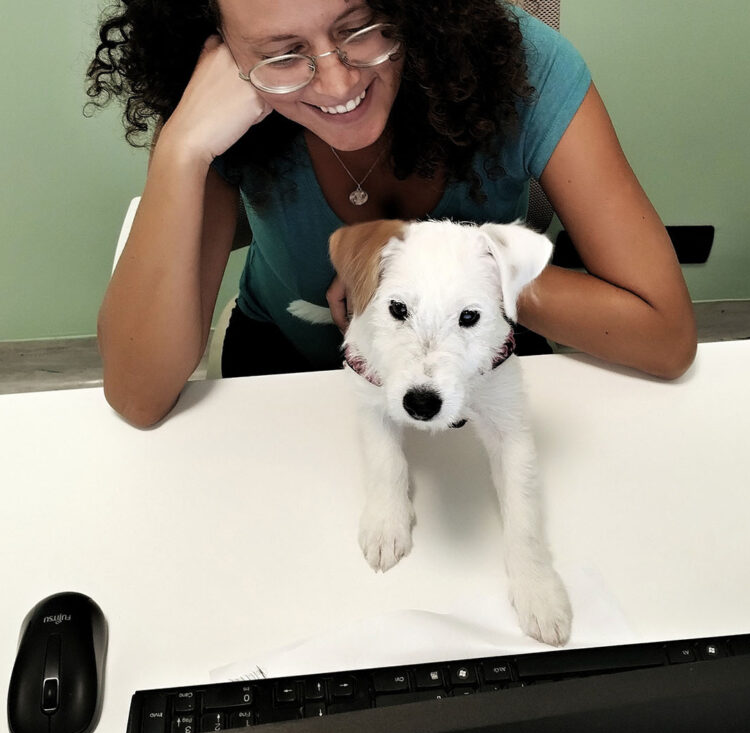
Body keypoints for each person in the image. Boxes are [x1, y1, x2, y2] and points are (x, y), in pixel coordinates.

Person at [87, 0, 697, 428]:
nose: (333, 81)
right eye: (282, 54)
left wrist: (448, 266)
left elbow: (666, 338)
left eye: (360, 27)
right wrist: (181, 149)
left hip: (479, 357)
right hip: (290, 367)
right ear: (223, 55)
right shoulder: (215, 117)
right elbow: (138, 397)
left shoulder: (527, 66)